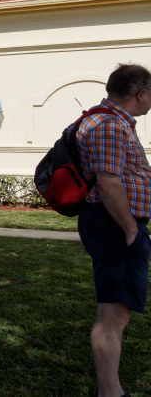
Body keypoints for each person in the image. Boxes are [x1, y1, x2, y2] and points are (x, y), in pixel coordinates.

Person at [75, 63, 151, 397]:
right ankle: (110, 392)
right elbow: (108, 183)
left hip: (115, 224)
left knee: (116, 308)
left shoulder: (110, 121)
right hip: (114, 225)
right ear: (141, 93)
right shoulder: (108, 125)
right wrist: (131, 229)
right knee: (113, 312)